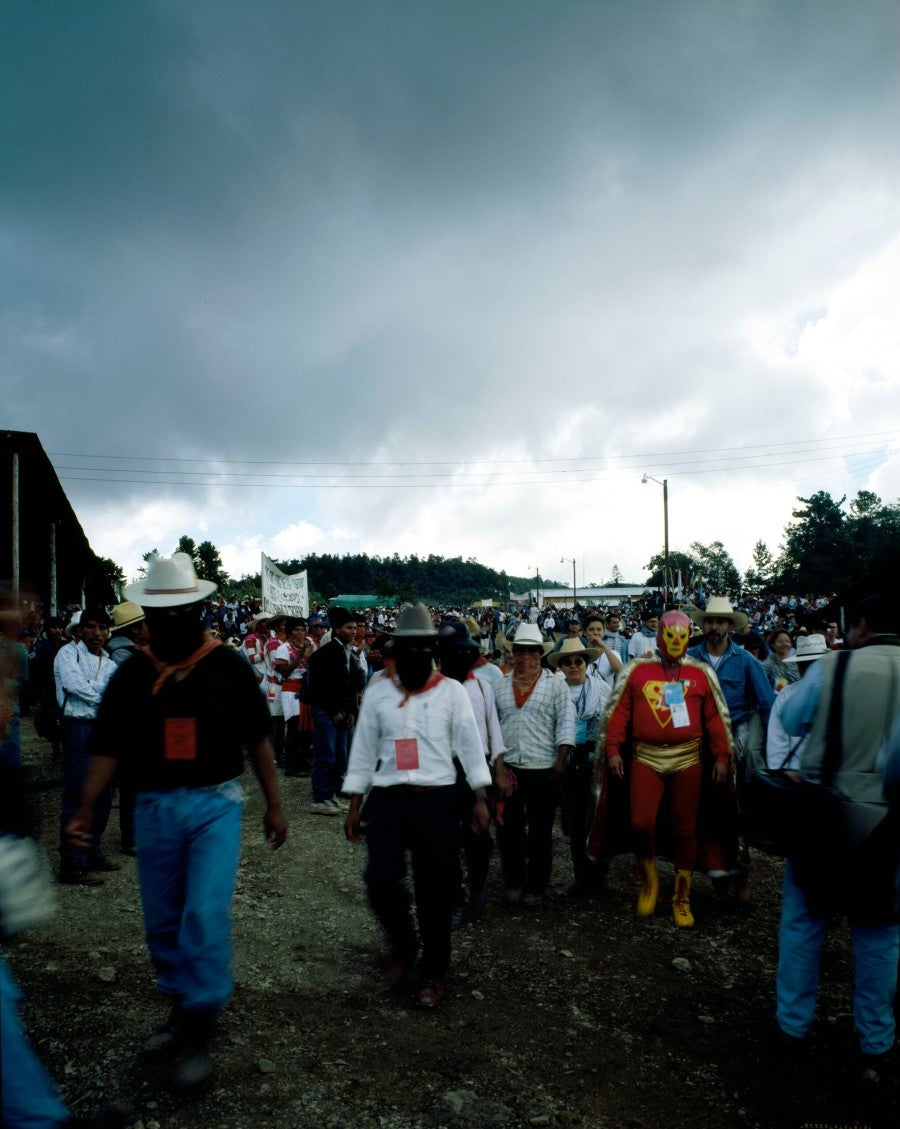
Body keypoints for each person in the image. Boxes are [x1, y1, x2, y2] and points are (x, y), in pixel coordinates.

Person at [65, 553, 287, 1090]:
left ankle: (200, 1027)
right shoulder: (134, 673)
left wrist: (275, 803)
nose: (170, 619)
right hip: (154, 806)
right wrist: (86, 808)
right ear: (145, 615)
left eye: (180, 608)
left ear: (199, 606)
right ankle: (180, 1008)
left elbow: (257, 735)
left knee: (204, 913)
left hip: (215, 805)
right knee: (162, 920)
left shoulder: (228, 664)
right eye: (159, 611)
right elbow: (108, 747)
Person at [775, 593, 900, 1073]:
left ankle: (792, 1028)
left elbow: (789, 718)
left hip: (822, 814)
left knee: (804, 923)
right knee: (878, 932)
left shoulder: (834, 667)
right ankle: (876, 1040)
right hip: (885, 822)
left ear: (863, 625)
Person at [343, 603, 491, 1009]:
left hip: (437, 801)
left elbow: (469, 748)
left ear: (433, 648)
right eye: (407, 646)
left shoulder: (452, 692)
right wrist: (355, 803)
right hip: (389, 801)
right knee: (379, 880)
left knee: (435, 892)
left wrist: (479, 797)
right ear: (395, 648)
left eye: (423, 646)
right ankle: (404, 945)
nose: (415, 653)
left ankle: (434, 974)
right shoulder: (377, 691)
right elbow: (363, 749)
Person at [602, 610, 734, 927]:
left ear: (689, 636)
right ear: (660, 634)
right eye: (670, 635)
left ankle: (682, 897)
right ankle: (649, 883)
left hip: (688, 758)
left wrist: (721, 756)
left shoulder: (701, 673)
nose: (676, 641)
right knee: (640, 823)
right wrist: (612, 748)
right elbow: (619, 713)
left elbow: (716, 718)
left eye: (682, 635)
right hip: (645, 757)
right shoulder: (636, 671)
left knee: (685, 828)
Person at [493, 622, 576, 906]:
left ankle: (536, 886)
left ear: (540, 654)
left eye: (531, 651)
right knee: (509, 829)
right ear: (512, 653)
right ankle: (514, 880)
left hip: (544, 769)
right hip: (510, 770)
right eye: (520, 651)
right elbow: (494, 730)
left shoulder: (556, 685)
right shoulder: (500, 685)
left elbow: (566, 722)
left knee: (541, 832)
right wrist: (498, 769)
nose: (525, 656)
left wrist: (561, 761)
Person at [435, 619, 507, 923]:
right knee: (446, 837)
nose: (460, 657)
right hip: (443, 771)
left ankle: (478, 886)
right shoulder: (431, 688)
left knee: (478, 835)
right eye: (453, 652)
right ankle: (455, 898)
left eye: (465, 651)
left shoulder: (482, 686)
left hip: (477, 770)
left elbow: (494, 732)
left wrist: (499, 772)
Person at [54, 607, 118, 885]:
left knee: (104, 794)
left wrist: (97, 689)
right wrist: (101, 692)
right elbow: (73, 684)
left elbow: (112, 693)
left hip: (104, 729)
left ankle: (92, 849)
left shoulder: (112, 663)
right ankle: (72, 861)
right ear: (79, 630)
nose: (97, 633)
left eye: (102, 627)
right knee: (79, 794)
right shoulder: (67, 654)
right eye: (91, 627)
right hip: (79, 728)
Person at [547, 638, 610, 898]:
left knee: (598, 820)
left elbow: (611, 724)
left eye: (579, 661)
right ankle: (581, 878)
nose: (574, 666)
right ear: (561, 666)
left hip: (595, 760)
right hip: (567, 760)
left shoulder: (602, 689)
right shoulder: (555, 690)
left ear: (586, 663)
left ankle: (600, 877)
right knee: (574, 823)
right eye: (568, 662)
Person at [306, 608, 366, 814]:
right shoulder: (325, 653)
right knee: (326, 754)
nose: (353, 631)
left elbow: (349, 685)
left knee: (341, 754)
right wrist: (333, 711)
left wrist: (351, 711)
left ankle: (332, 792)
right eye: (348, 628)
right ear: (337, 629)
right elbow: (321, 687)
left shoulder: (349, 651)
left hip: (342, 709)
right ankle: (320, 798)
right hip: (326, 711)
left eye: (355, 627)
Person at [762, 628, 800, 693]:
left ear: (791, 644)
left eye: (787, 641)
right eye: (780, 641)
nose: (784, 644)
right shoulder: (767, 665)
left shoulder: (796, 663)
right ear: (773, 644)